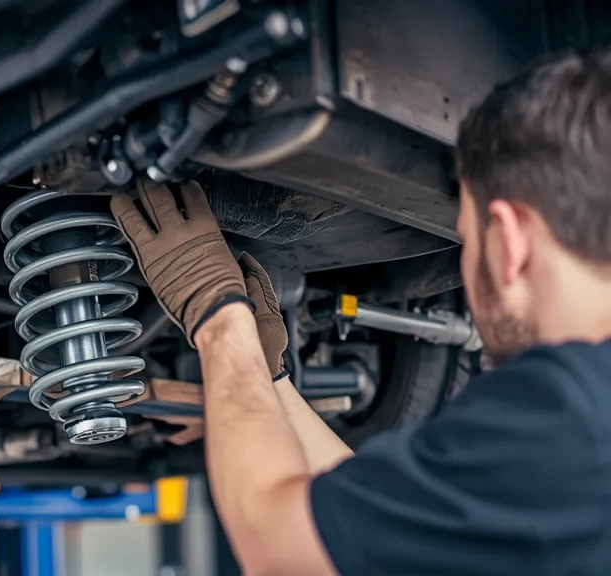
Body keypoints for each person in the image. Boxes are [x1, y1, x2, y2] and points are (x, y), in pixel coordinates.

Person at [110, 47, 611, 575]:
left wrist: (215, 312)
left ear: (510, 242)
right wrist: (270, 377)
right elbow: (383, 532)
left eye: (467, 241)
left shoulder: (569, 417)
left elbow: (277, 546)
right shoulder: (583, 427)